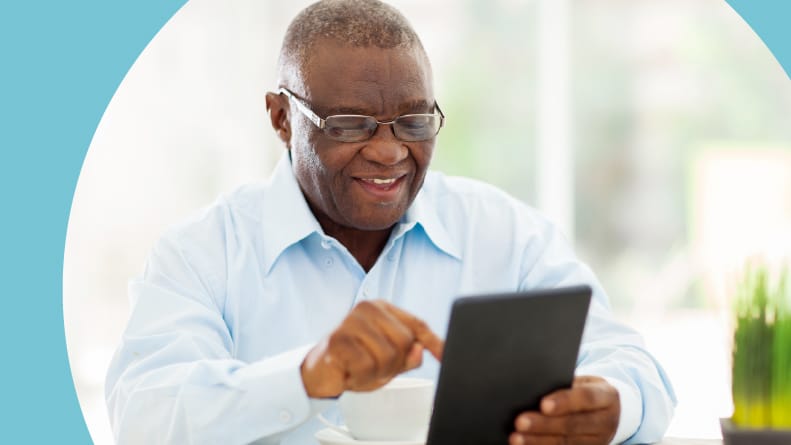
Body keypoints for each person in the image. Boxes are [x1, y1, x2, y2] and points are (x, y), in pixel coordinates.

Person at [105, 1, 676, 444]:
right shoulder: (203, 252)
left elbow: (635, 368)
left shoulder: (508, 236)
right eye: (350, 124)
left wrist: (611, 407)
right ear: (282, 118)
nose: (388, 152)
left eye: (413, 121)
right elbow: (143, 412)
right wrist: (305, 376)